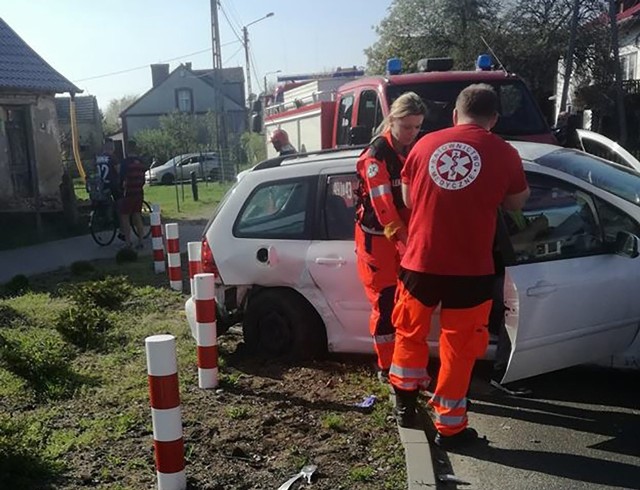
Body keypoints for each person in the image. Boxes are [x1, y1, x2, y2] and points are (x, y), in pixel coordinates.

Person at [390, 84, 530, 450]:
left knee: (409, 333)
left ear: (455, 114)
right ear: (494, 119)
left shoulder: (422, 145)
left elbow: (407, 198)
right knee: (460, 347)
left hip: (420, 262)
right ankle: (450, 429)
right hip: (471, 269)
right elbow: (517, 203)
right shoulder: (504, 152)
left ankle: (404, 404)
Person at [354, 92, 426, 382]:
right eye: (407, 126)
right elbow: (384, 208)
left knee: (405, 304)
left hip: (404, 238)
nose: (412, 133)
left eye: (417, 127)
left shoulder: (412, 149)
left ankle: (404, 363)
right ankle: (386, 366)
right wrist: (408, 243)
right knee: (385, 304)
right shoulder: (376, 157)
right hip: (378, 240)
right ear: (393, 120)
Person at [118, 141, 146, 249]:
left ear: (127, 150)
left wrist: (120, 187)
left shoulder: (125, 163)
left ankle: (128, 242)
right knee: (137, 215)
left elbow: (122, 178)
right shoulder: (141, 162)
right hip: (139, 192)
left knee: (125, 217)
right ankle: (141, 241)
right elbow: (143, 178)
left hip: (128, 192)